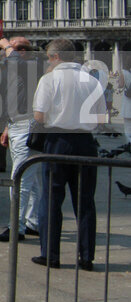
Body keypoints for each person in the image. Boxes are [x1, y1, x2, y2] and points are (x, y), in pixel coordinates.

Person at [32, 38, 106, 271]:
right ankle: (86, 257)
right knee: (85, 201)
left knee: (52, 199)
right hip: (85, 142)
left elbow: (39, 117)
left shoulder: (49, 79)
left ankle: (51, 255)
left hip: (58, 140)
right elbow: (101, 118)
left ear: (54, 57)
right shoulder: (91, 80)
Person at [0, 36, 45, 242]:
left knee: (20, 179)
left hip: (28, 127)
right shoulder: (19, 70)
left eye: (17, 49)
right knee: (31, 179)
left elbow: (15, 61)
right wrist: (8, 125)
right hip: (18, 123)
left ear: (24, 52)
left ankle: (16, 226)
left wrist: (6, 45)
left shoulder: (32, 65)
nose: (8, 55)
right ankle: (32, 222)